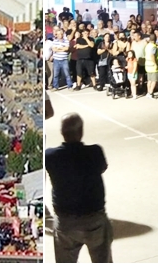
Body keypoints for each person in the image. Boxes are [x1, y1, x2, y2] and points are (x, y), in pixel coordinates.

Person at [45, 113, 113, 263]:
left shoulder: (50, 156)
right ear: (81, 132)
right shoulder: (95, 152)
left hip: (65, 221)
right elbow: (102, 167)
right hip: (94, 219)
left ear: (62, 133)